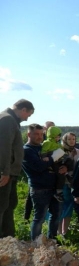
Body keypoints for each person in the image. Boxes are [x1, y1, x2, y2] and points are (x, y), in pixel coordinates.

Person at [22, 123, 67, 240]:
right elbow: (40, 166)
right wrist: (54, 157)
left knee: (56, 216)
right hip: (40, 189)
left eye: (41, 134)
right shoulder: (27, 150)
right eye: (36, 134)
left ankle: (52, 241)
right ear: (28, 134)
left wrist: (63, 167)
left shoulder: (43, 146)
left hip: (54, 188)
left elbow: (54, 162)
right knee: (40, 218)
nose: (39, 137)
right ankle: (36, 245)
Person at [0, 99, 34, 237]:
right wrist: (4, 171)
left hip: (10, 173)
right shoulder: (7, 120)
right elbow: (4, 148)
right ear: (23, 109)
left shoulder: (10, 120)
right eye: (28, 115)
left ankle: (8, 237)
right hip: (4, 173)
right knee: (1, 206)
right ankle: (3, 240)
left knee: (9, 204)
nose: (27, 119)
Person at [58, 132, 79, 237]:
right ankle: (58, 232)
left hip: (73, 184)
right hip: (61, 183)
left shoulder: (78, 152)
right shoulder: (59, 151)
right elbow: (53, 165)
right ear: (65, 140)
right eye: (69, 139)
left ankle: (65, 232)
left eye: (73, 139)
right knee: (60, 208)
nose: (72, 141)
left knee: (69, 208)